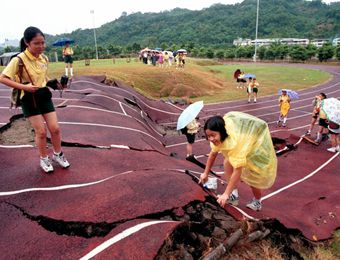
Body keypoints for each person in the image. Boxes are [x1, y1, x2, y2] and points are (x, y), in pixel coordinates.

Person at [0, 26, 70, 173]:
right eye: (36, 43)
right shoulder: (18, 60)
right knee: (41, 132)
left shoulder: (44, 58)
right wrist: (24, 87)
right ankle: (44, 158)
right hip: (28, 98)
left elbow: (43, 77)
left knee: (55, 129)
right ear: (27, 43)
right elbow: (3, 78)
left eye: (43, 43)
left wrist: (56, 85)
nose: (41, 46)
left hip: (43, 95)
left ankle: (58, 154)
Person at [199, 112, 277, 211]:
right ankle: (233, 196)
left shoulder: (235, 145)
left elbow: (237, 170)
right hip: (243, 146)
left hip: (254, 153)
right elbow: (213, 154)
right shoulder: (218, 138)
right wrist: (205, 173)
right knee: (227, 162)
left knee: (253, 181)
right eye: (208, 136)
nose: (211, 139)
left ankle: (257, 201)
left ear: (222, 132)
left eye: (213, 135)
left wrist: (225, 194)